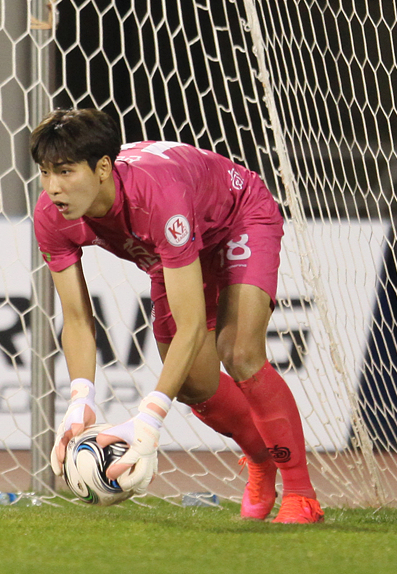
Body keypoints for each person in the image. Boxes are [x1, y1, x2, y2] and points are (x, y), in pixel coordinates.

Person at [33, 108, 323, 524]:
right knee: (192, 383)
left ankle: (300, 493)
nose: (53, 187)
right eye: (45, 173)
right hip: (171, 252)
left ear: (102, 169)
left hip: (237, 217)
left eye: (65, 172)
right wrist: (81, 399)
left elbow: (191, 325)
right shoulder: (50, 216)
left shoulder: (155, 197)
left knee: (238, 351)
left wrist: (150, 418)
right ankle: (261, 458)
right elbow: (77, 318)